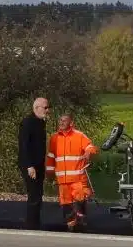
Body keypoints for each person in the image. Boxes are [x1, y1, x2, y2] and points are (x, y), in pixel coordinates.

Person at [46, 111, 98, 232]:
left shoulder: (79, 136)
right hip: (62, 179)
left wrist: (89, 152)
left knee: (80, 198)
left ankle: (81, 219)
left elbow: (91, 146)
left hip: (77, 178)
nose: (62, 122)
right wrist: (49, 171)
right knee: (66, 202)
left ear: (71, 123)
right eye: (60, 120)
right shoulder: (54, 138)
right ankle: (71, 224)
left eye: (64, 120)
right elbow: (50, 156)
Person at [17, 97, 48, 230]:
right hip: (31, 166)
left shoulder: (40, 123)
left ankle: (35, 221)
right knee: (34, 194)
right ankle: (31, 224)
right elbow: (24, 145)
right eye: (45, 108)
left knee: (38, 194)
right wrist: (29, 166)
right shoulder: (28, 122)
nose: (48, 110)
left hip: (39, 165)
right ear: (36, 108)